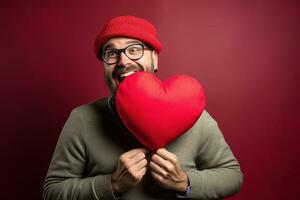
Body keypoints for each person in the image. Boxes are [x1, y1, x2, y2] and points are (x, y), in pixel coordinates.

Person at [43, 15, 243, 200]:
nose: (123, 61)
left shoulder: (196, 116)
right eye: (112, 53)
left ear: (154, 59)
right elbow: (52, 191)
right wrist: (112, 185)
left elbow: (232, 175)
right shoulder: (82, 119)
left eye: (134, 50)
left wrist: (185, 183)